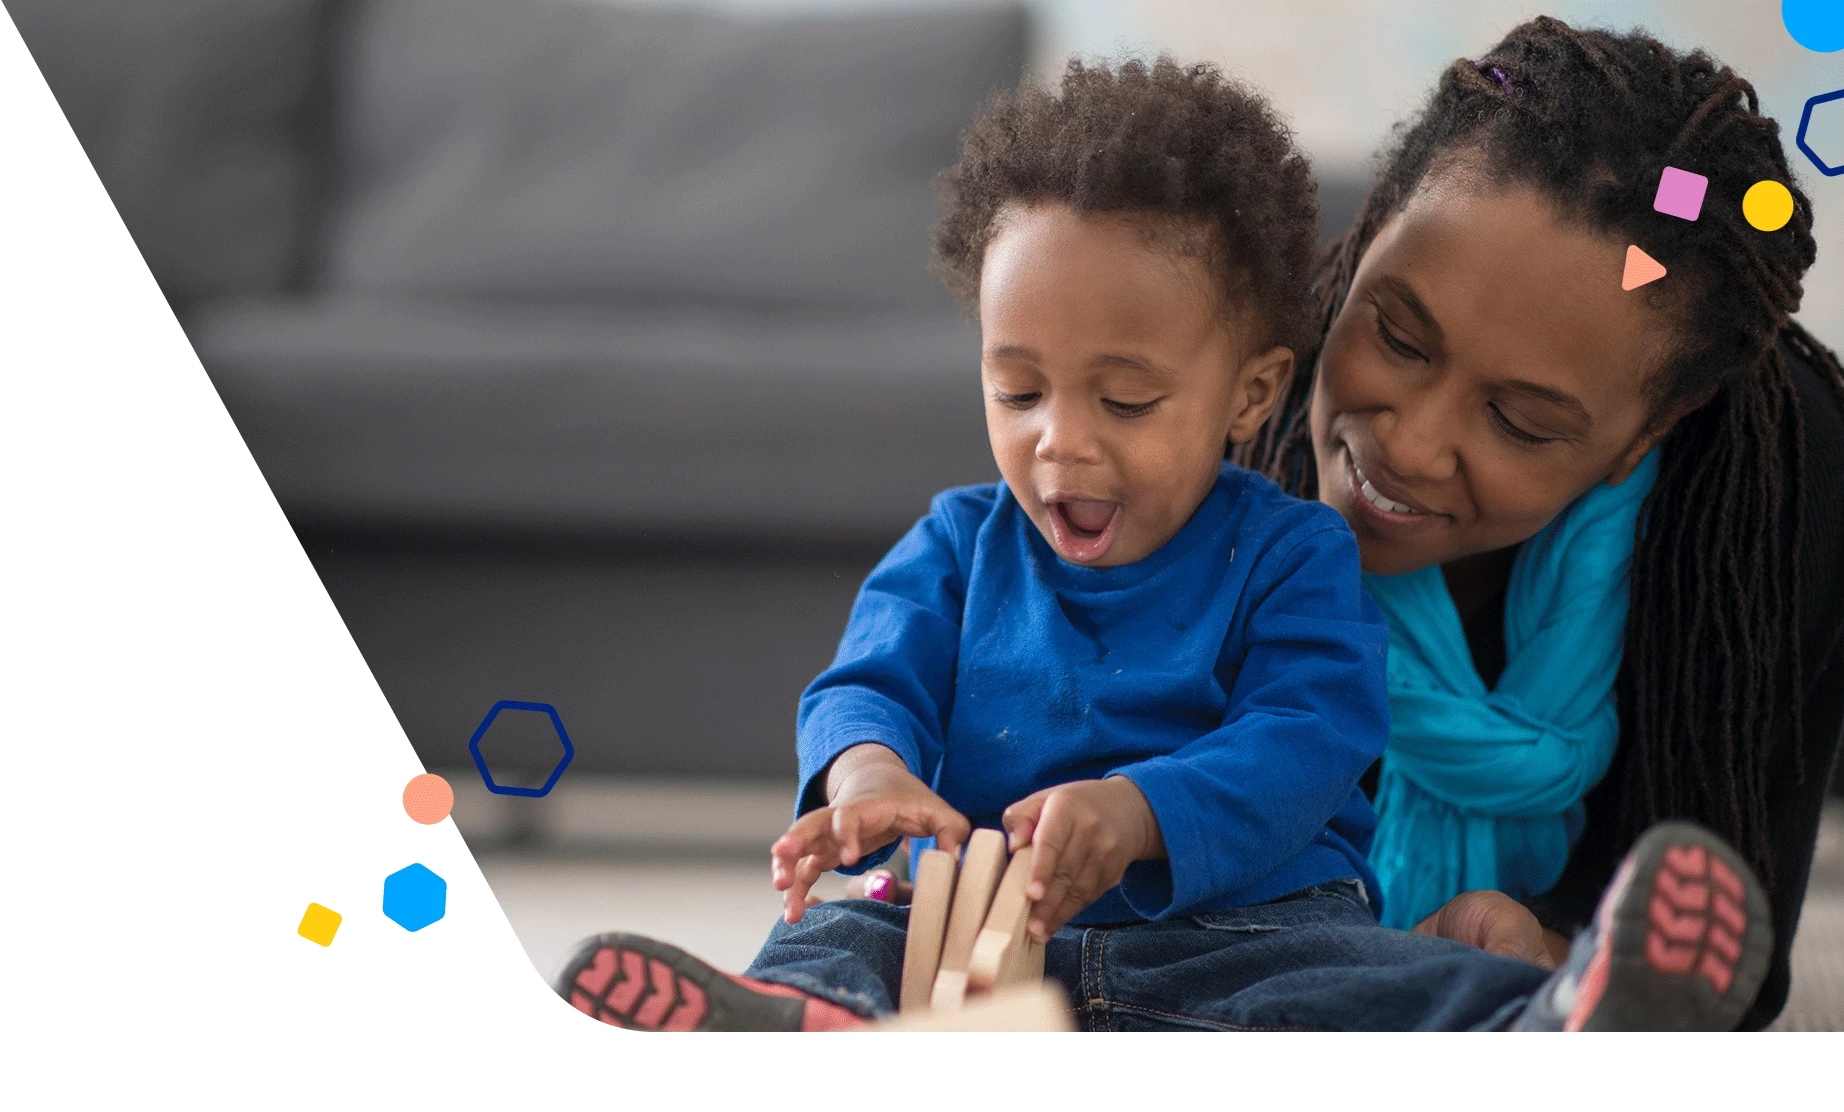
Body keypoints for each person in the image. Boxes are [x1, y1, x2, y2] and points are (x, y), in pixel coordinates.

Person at [554, 53, 1779, 1032]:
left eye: (1123, 401)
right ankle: (794, 1016)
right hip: (959, 922)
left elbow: (1310, 736)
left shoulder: (1293, 553)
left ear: (1248, 394)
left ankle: (1564, 1008)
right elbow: (866, 683)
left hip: (1239, 926)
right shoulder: (953, 542)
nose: (1059, 446)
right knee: (835, 929)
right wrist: (867, 784)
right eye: (1017, 390)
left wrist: (1141, 811)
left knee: (1360, 980)